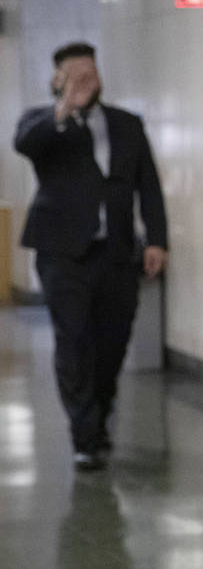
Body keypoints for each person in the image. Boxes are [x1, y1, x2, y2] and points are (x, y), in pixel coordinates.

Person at [14, 42, 168, 471]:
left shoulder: (126, 124)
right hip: (62, 255)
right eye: (76, 73)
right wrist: (66, 106)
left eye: (92, 71)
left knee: (112, 342)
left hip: (117, 253)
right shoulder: (43, 124)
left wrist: (156, 240)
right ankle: (83, 436)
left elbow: (148, 186)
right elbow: (26, 145)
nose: (87, 79)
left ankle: (98, 414)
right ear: (58, 80)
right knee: (74, 339)